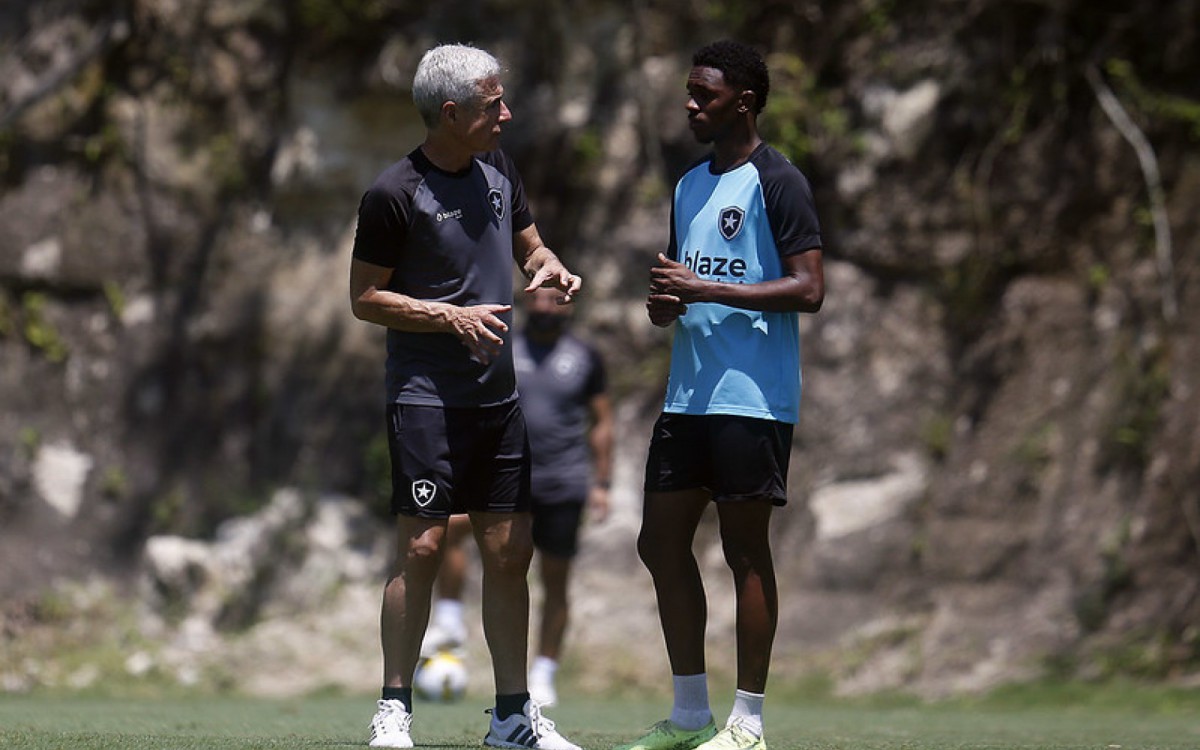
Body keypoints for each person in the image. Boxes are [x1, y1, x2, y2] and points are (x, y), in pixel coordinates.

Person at [348, 43, 583, 750]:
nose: (506, 115)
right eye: (492, 106)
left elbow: (530, 247)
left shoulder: (499, 171)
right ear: (450, 114)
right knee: (420, 547)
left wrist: (549, 265)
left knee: (510, 553)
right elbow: (364, 298)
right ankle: (394, 708)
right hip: (424, 399)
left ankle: (514, 719)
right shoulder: (394, 193)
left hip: (497, 401)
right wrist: (447, 315)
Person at [615, 40, 825, 750]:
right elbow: (685, 282)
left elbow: (810, 287)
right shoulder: (688, 185)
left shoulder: (779, 181)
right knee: (659, 543)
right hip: (687, 397)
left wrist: (710, 289)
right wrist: (669, 305)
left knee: (745, 552)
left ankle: (749, 725)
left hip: (752, 398)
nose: (690, 105)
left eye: (703, 94)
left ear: (744, 101)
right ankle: (687, 716)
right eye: (688, 91)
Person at [420, 286, 614, 708]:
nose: (544, 306)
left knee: (554, 579)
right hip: (504, 476)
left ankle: (543, 673)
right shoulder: (501, 346)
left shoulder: (586, 357)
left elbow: (602, 422)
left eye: (555, 299)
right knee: (449, 530)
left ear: (570, 306)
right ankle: (450, 621)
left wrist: (602, 483)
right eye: (538, 299)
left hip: (561, 482)